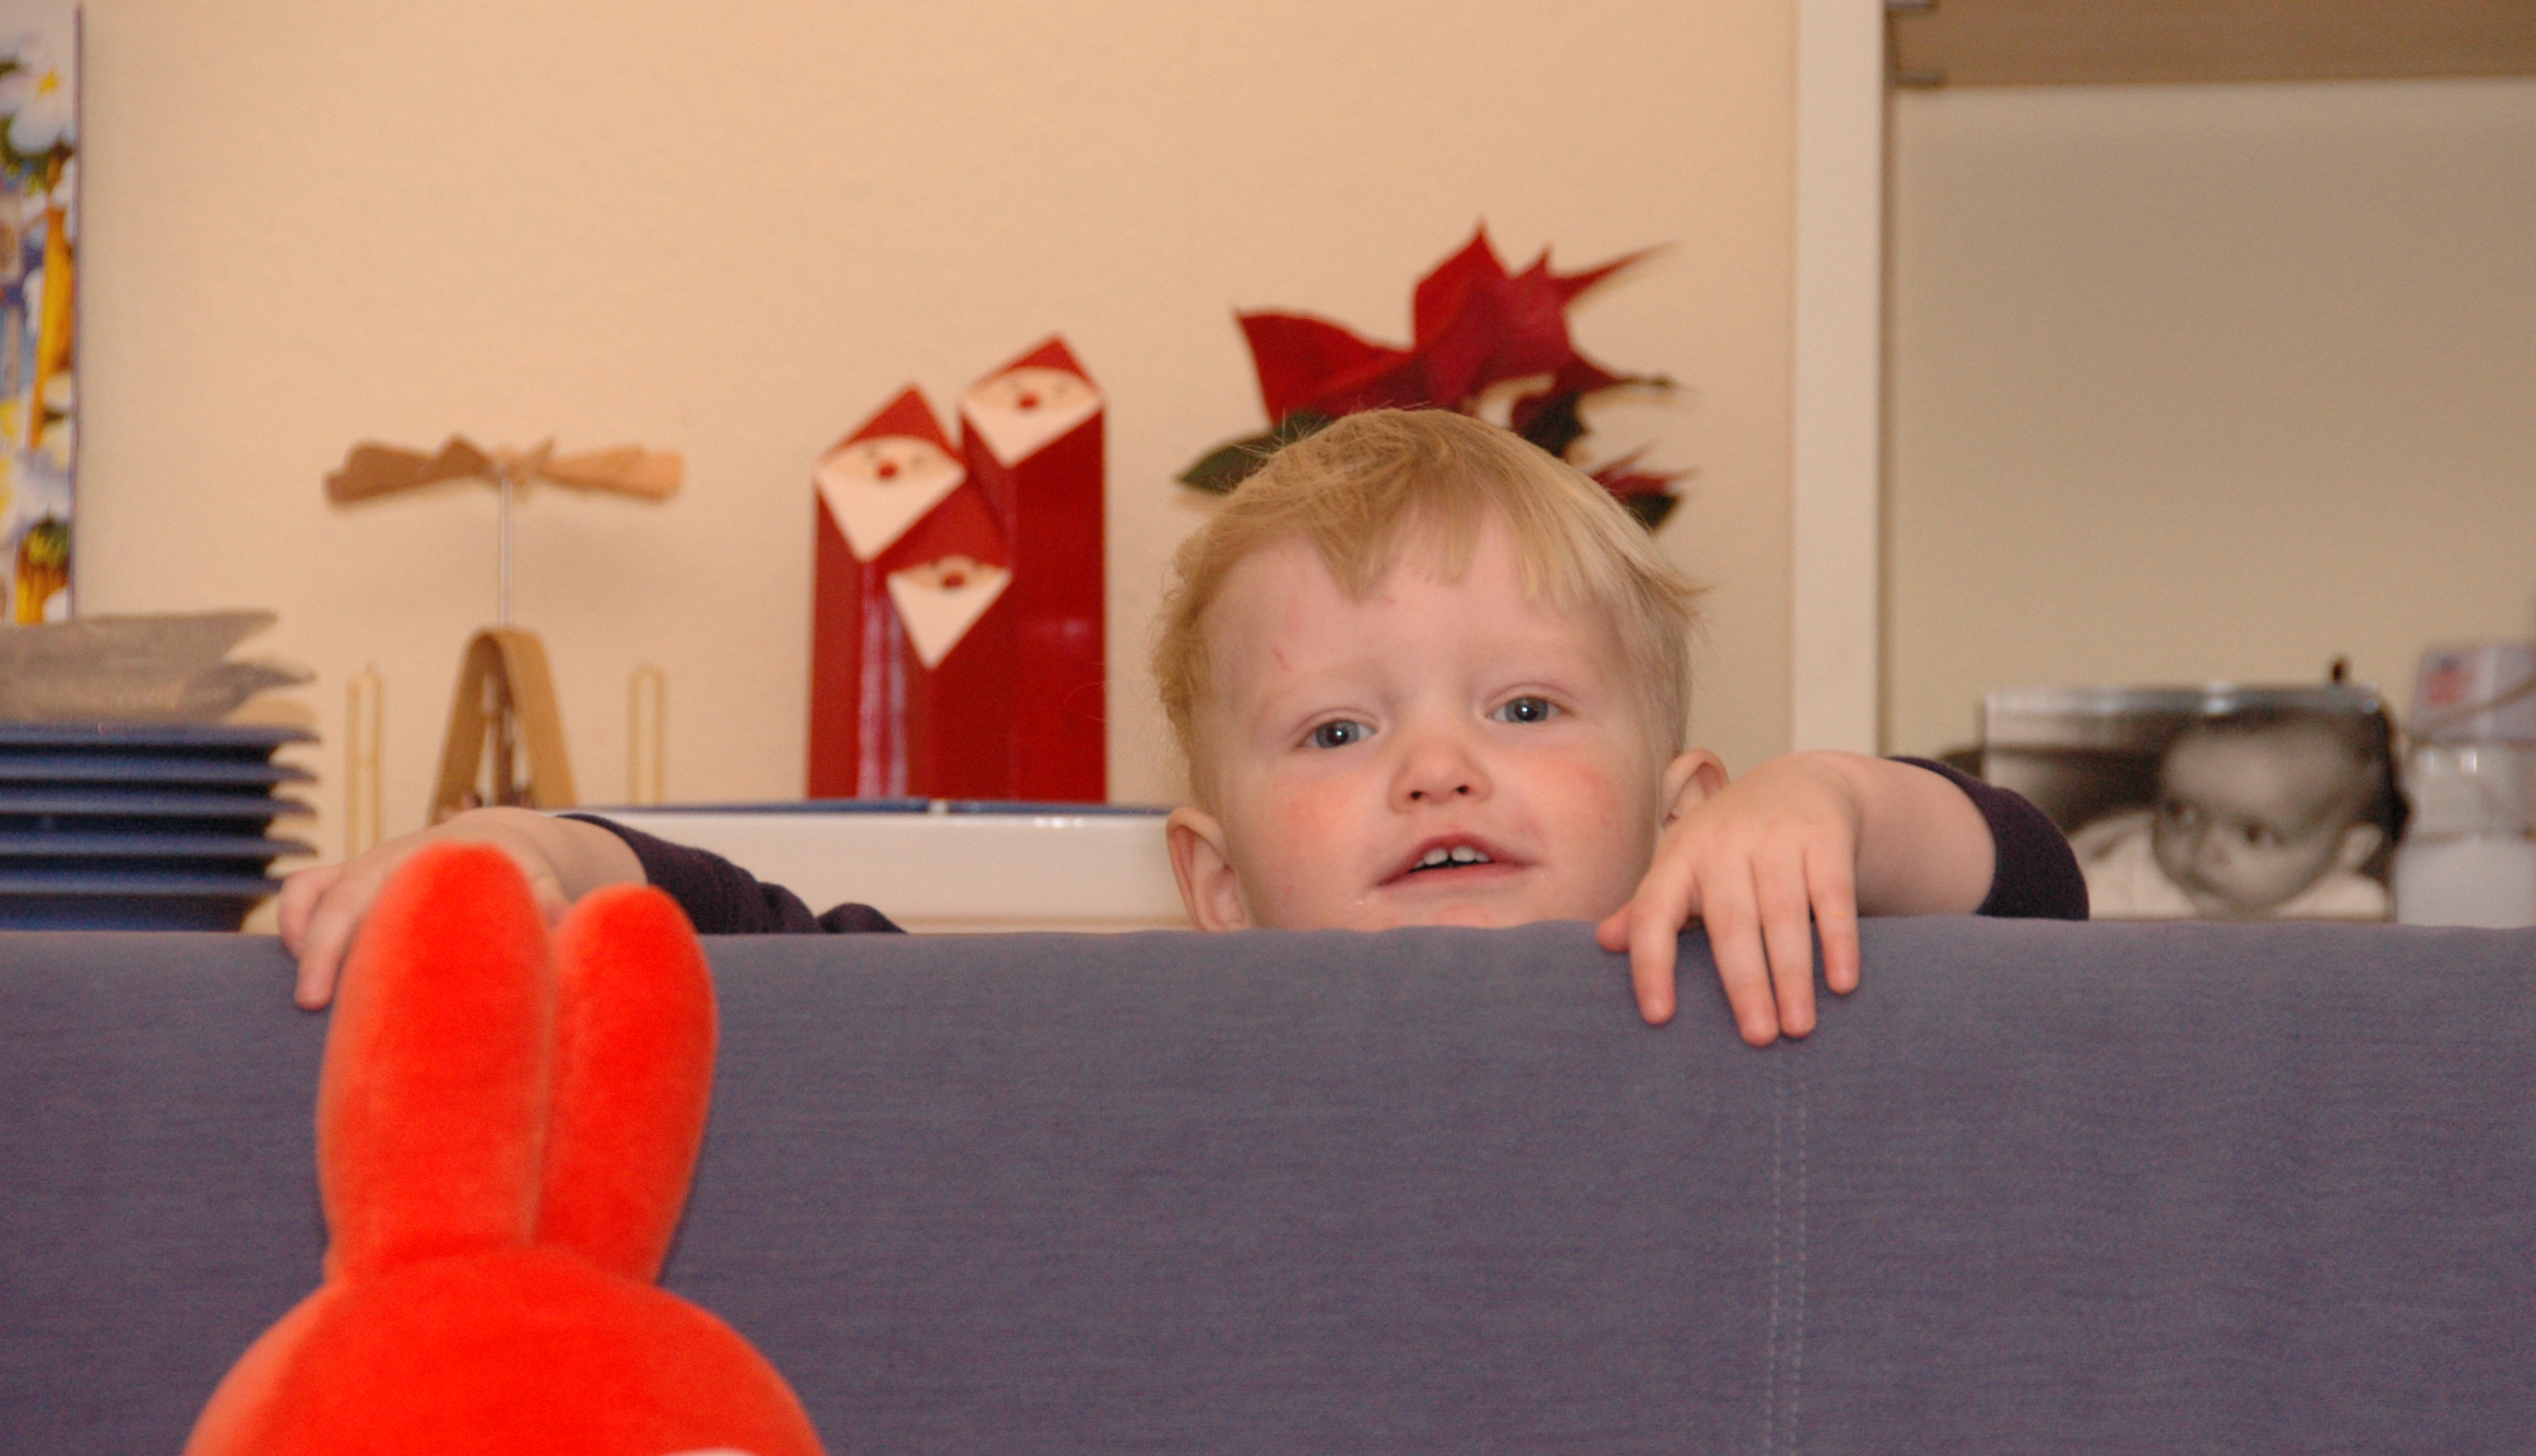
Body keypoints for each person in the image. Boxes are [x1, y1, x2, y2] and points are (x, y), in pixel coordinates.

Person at [282, 410, 2084, 1043]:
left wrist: (1826, 807)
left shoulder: (1742, 982)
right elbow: (767, 954)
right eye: (1335, 734)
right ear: (1214, 886)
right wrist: (539, 849)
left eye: (1526, 707)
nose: (1434, 766)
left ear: (1683, 813)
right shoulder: (1139, 1046)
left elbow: (2037, 895)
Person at [2072, 707, 2396, 920]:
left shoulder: (2352, 914)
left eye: (2255, 835)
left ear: (2348, 850)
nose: (2205, 850)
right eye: (2182, 815)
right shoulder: (2135, 872)